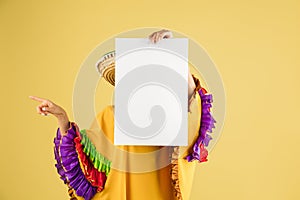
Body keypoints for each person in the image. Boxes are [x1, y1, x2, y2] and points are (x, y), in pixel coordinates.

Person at [30, 29, 216, 200]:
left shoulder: (173, 118)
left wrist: (176, 58)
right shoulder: (109, 116)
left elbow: (195, 112)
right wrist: (61, 117)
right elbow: (85, 168)